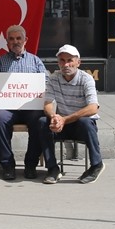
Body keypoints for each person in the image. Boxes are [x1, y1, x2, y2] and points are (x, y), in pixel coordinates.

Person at [0, 24, 47, 181]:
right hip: (8, 108)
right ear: (7, 42)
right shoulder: (0, 62)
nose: (15, 42)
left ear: (26, 40)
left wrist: (42, 93)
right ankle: (8, 165)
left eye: (18, 38)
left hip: (30, 108)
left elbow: (46, 82)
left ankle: (30, 164)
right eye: (11, 39)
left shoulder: (36, 61)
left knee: (40, 121)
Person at [40, 45, 104, 185]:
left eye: (70, 60)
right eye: (62, 60)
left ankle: (96, 164)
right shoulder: (54, 78)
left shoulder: (86, 79)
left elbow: (93, 108)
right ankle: (52, 168)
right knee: (42, 122)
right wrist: (54, 117)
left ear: (78, 62)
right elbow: (48, 104)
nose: (66, 64)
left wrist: (65, 119)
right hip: (62, 124)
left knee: (85, 122)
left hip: (80, 127)